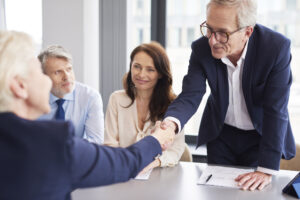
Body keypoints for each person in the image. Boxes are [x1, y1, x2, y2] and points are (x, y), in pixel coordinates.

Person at [0, 30, 175, 200]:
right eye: (39, 73)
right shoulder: (52, 144)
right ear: (20, 86)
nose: (48, 81)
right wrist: (157, 140)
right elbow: (125, 163)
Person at [162, 0, 296, 191]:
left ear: (247, 32)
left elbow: (276, 109)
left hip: (260, 137)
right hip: (221, 135)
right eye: (209, 29)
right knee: (217, 193)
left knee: (253, 192)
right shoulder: (201, 49)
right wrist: (171, 124)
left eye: (223, 33)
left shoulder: (275, 48)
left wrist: (266, 170)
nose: (212, 40)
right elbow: (191, 95)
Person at [104, 42, 185, 171]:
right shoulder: (116, 99)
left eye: (150, 69)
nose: (141, 74)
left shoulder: (173, 105)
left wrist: (150, 164)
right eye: (137, 67)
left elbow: (176, 150)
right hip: (122, 172)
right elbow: (110, 144)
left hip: (159, 175)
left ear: (160, 73)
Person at [38, 45, 104, 144]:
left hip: (76, 156)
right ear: (44, 77)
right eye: (57, 72)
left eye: (69, 69)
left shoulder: (90, 96)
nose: (66, 77)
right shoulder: (34, 98)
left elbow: (96, 141)